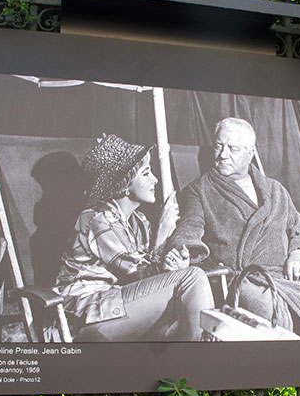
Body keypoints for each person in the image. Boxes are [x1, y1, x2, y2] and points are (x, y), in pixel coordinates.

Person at [167, 117, 300, 339]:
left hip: (289, 276)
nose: (223, 155)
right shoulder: (198, 191)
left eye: (232, 149)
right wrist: (184, 251)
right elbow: (189, 229)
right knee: (267, 311)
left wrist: (298, 253)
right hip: (246, 280)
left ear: (250, 153)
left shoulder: (275, 190)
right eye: (218, 146)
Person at [56, 134, 214, 342]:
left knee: (183, 318)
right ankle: (209, 360)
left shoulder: (138, 221)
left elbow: (152, 274)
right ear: (125, 183)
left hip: (118, 305)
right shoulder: (97, 219)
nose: (155, 180)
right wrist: (162, 235)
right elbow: (141, 274)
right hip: (87, 314)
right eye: (146, 173)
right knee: (192, 278)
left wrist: (175, 265)